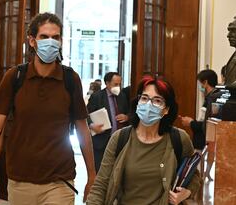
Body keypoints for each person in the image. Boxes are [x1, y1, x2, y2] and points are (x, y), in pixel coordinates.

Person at [0, 12, 96, 204]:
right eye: (44, 37)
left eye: (55, 37)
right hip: (20, 179)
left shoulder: (70, 79)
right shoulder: (15, 77)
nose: (50, 42)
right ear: (32, 40)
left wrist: (92, 175)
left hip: (60, 180)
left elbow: (82, 129)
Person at [86, 76, 201, 205]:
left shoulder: (179, 138)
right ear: (138, 102)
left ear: (166, 109)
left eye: (157, 100)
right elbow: (101, 185)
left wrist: (187, 192)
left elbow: (194, 176)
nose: (148, 105)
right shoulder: (120, 138)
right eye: (144, 98)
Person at [180, 69, 223, 181]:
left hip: (204, 141)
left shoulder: (213, 98)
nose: (200, 87)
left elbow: (207, 125)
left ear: (205, 82)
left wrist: (191, 123)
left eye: (200, 84)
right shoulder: (211, 97)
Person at [87, 72, 129, 172]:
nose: (118, 87)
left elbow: (129, 112)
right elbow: (85, 115)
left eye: (119, 84)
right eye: (115, 84)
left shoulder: (122, 96)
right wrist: (92, 125)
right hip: (102, 141)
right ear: (107, 83)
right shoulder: (97, 97)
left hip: (119, 141)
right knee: (101, 171)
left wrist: (127, 117)